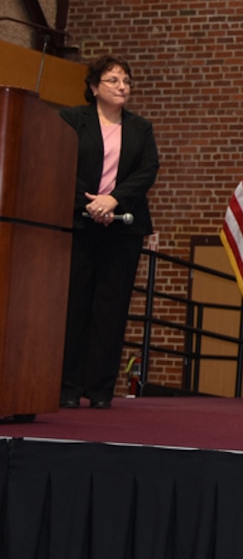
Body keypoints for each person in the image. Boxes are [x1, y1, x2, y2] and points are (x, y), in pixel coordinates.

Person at [59, 55, 159, 409]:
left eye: (126, 81)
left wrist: (113, 200)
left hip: (123, 228)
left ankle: (100, 390)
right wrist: (90, 204)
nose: (122, 87)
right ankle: (67, 388)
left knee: (111, 309)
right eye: (114, 80)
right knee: (74, 306)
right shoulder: (71, 120)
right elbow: (59, 162)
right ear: (93, 87)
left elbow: (147, 171)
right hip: (80, 223)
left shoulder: (140, 128)